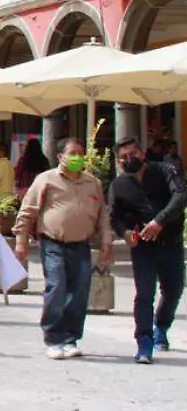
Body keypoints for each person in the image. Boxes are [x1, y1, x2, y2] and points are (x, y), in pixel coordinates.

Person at [13, 137, 112, 360]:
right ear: (60, 157)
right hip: (53, 243)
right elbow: (27, 211)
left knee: (79, 293)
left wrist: (106, 240)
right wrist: (20, 242)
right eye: (73, 153)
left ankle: (70, 338)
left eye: (80, 153)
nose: (77, 157)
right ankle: (54, 338)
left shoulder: (92, 182)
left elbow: (102, 214)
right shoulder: (46, 180)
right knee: (57, 287)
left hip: (81, 245)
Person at [109, 137, 186, 363]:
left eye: (132, 154)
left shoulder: (164, 170)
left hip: (170, 242)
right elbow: (115, 217)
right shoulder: (118, 185)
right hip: (142, 247)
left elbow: (181, 196)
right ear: (118, 161)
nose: (128, 159)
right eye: (123, 157)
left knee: (174, 289)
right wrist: (125, 234)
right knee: (144, 294)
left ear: (142, 153)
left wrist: (159, 221)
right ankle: (144, 342)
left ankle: (161, 326)